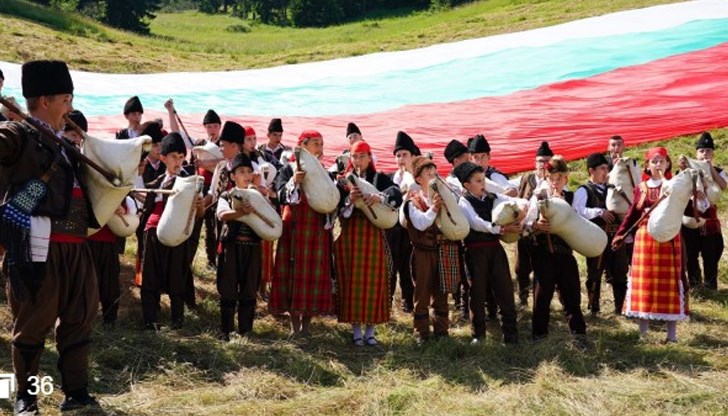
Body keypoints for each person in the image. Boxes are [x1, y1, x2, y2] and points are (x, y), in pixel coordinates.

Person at [1, 60, 100, 413]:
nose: (70, 107)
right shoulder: (19, 134)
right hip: (38, 248)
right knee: (31, 325)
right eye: (65, 99)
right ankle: (26, 397)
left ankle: (76, 392)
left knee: (79, 319)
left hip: (77, 248)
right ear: (44, 101)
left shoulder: (66, 143)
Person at [613, 147, 689, 342]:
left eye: (662, 161)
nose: (658, 164)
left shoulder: (674, 185)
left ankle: (671, 336)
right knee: (644, 283)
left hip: (668, 238)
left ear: (668, 164)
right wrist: (620, 235)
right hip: (645, 239)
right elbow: (632, 214)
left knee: (670, 283)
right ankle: (643, 334)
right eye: (654, 161)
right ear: (647, 166)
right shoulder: (641, 188)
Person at [270, 130, 341, 335]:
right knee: (293, 274)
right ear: (303, 146)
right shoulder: (288, 169)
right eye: (316, 144)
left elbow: (332, 201)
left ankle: (307, 326)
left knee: (313, 276)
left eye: (321, 144)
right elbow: (280, 195)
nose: (320, 148)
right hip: (294, 228)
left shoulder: (325, 174)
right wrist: (294, 181)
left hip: (317, 229)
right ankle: (294, 326)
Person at [336, 140, 402, 346]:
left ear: (369, 157)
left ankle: (371, 332)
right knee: (353, 282)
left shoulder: (379, 178)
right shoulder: (343, 181)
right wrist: (349, 200)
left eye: (362, 156)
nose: (358, 160)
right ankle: (356, 331)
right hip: (351, 235)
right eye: (354, 156)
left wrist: (379, 197)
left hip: (374, 234)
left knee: (374, 281)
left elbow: (396, 194)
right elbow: (336, 208)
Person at [139, 132, 205, 330]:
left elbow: (199, 214)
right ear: (163, 158)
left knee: (177, 276)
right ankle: (150, 320)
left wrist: (200, 205)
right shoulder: (156, 184)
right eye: (174, 157)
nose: (178, 161)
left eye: (181, 157)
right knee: (150, 276)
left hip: (177, 234)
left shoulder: (190, 183)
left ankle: (177, 321)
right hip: (153, 232)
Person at [455, 161, 520, 344]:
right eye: (478, 181)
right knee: (477, 293)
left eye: (483, 179)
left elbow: (513, 204)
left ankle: (511, 335)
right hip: (475, 252)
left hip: (495, 250)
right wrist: (500, 228)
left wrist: (520, 215)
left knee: (505, 289)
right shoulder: (464, 201)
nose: (482, 183)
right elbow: (476, 222)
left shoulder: (493, 198)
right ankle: (478, 335)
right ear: (467, 185)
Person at [524, 155, 587, 345]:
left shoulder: (572, 197)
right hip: (543, 252)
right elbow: (526, 224)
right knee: (542, 296)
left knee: (572, 295)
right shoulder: (539, 196)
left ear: (566, 177)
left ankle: (579, 336)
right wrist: (536, 225)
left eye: (559, 177)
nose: (555, 182)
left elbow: (580, 221)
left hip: (566, 253)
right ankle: (539, 338)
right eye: (551, 177)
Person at [402, 156, 461, 343]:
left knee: (442, 292)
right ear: (418, 179)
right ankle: (421, 333)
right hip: (423, 253)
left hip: (443, 250)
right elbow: (420, 223)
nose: (434, 177)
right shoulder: (413, 202)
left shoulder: (444, 198)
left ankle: (442, 331)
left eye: (435, 173)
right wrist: (434, 208)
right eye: (429, 174)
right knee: (422, 293)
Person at [215, 153, 263, 340]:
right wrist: (240, 212)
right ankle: (225, 331)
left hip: (252, 248)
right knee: (228, 290)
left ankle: (245, 332)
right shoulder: (226, 195)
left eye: (249, 172)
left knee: (249, 290)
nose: (246, 175)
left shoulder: (258, 197)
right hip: (231, 248)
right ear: (233, 176)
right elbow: (222, 215)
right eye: (241, 171)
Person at [575, 153, 628, 317]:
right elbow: (577, 210)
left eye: (607, 169)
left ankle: (621, 307)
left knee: (620, 272)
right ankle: (594, 308)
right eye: (602, 169)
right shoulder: (584, 190)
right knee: (595, 272)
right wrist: (599, 212)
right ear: (592, 170)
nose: (606, 172)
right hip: (596, 237)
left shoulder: (613, 189)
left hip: (616, 237)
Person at [678, 132, 727, 290]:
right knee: (691, 253)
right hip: (690, 217)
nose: (705, 154)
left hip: (710, 219)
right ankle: (695, 285)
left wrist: (709, 168)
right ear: (696, 153)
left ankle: (711, 285)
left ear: (713, 153)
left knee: (712, 252)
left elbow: (723, 185)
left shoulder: (718, 170)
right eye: (701, 151)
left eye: (708, 150)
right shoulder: (687, 170)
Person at [513, 141, 553, 307]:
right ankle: (523, 298)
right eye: (540, 161)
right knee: (521, 267)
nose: (543, 165)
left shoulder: (553, 181)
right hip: (524, 230)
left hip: (543, 231)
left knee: (542, 269)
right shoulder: (525, 178)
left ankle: (540, 301)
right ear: (535, 163)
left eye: (547, 161)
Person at [387, 131, 420, 313]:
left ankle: (409, 303)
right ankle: (387, 304)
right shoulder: (390, 178)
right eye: (398, 155)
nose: (400, 159)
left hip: (410, 228)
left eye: (404, 155)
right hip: (392, 228)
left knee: (408, 266)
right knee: (390, 266)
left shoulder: (419, 178)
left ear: (413, 157)